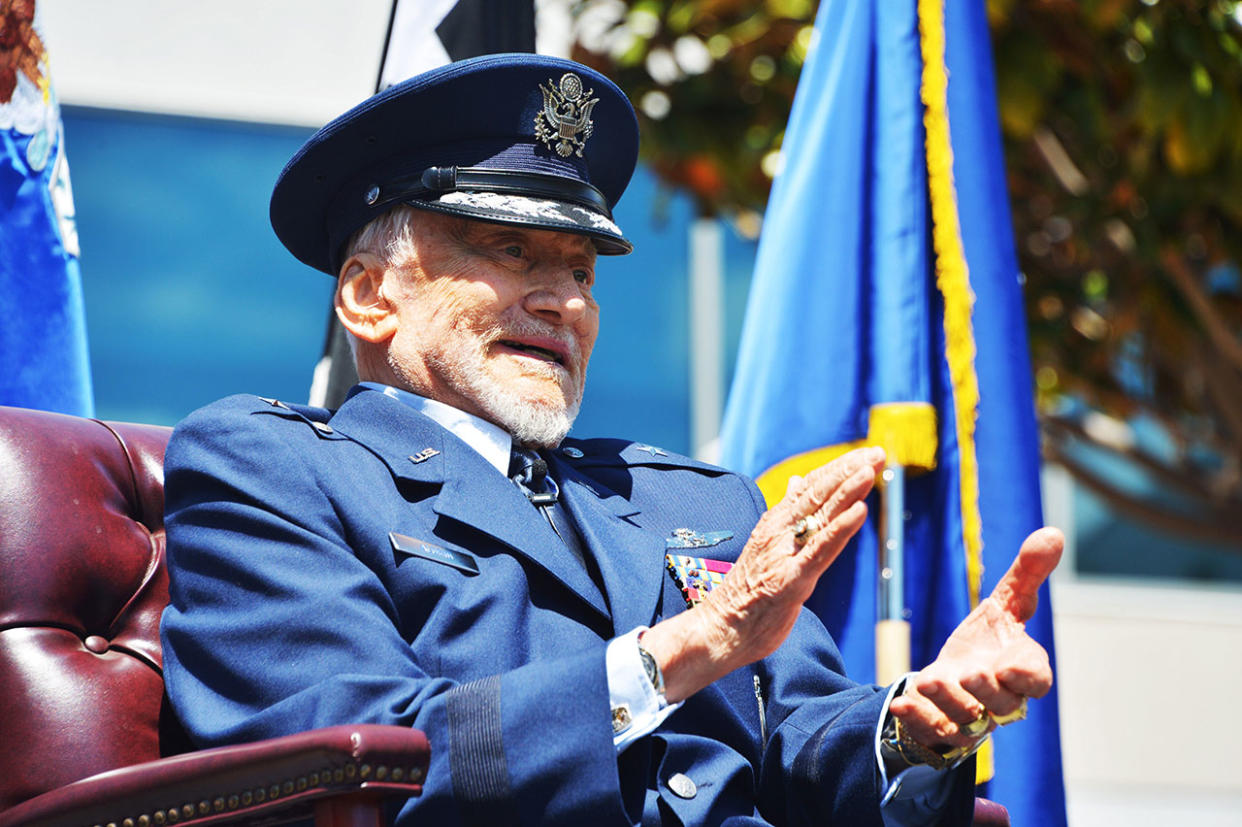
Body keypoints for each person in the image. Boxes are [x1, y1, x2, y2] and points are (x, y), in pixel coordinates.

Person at [160, 54, 1060, 827]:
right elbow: (357, 765)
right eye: (512, 252)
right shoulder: (271, 468)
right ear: (368, 295)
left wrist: (917, 721)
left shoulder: (700, 498)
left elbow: (802, 742)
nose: (569, 302)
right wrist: (690, 647)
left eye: (582, 269)